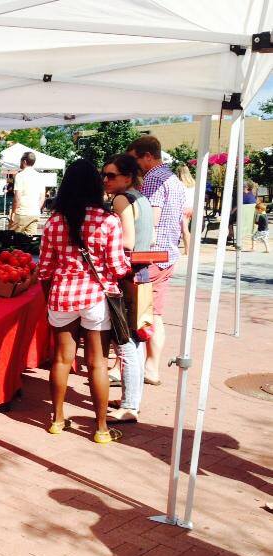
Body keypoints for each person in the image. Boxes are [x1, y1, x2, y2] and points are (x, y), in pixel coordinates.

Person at [37, 159, 130, 443]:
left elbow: (44, 269)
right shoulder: (108, 220)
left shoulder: (53, 222)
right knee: (98, 363)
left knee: (62, 359)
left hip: (62, 295)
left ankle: (57, 419)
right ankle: (101, 429)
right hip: (95, 297)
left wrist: (49, 298)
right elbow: (117, 268)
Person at [127, 135, 185, 386]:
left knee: (137, 312)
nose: (134, 166)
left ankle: (129, 367)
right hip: (168, 254)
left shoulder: (153, 179)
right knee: (156, 314)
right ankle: (152, 367)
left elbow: (151, 219)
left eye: (135, 159)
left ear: (147, 156)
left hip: (149, 256)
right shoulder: (175, 180)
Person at [101, 154, 154, 424]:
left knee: (126, 342)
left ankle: (130, 405)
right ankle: (131, 398)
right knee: (138, 336)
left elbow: (128, 242)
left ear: (128, 177)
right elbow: (150, 237)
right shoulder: (142, 199)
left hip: (127, 276)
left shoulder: (122, 199)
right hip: (142, 274)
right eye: (105, 175)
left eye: (111, 176)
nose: (106, 180)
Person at [12, 152, 44, 234]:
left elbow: (17, 198)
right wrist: (36, 208)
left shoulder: (20, 176)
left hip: (22, 213)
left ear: (24, 161)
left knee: (14, 242)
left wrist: (13, 212)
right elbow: (42, 197)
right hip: (34, 213)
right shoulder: (40, 177)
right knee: (30, 243)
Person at [176, 164, 195, 255]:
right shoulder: (193, 183)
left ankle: (187, 251)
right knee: (190, 230)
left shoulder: (179, 184)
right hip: (192, 208)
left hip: (184, 209)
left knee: (185, 230)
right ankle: (191, 249)